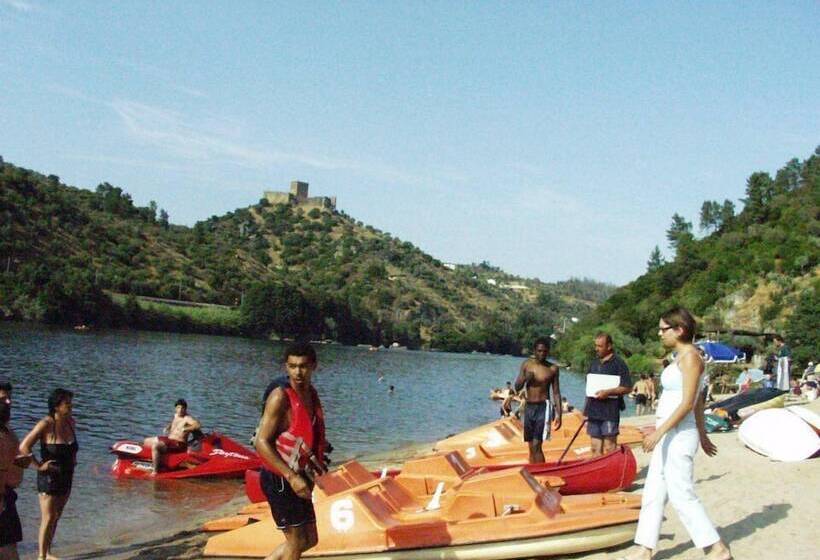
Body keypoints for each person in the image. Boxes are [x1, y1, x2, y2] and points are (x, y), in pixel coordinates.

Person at [620, 307, 732, 560]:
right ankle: (645, 548)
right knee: (654, 490)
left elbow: (689, 403)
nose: (660, 333)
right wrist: (704, 436)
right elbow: (699, 403)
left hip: (679, 433)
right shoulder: (679, 357)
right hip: (670, 431)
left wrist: (659, 433)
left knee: (681, 492)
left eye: (664, 329)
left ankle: (716, 547)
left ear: (679, 330)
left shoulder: (691, 357)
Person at [255, 342, 329, 560]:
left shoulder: (311, 395)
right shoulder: (280, 398)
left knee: (309, 539)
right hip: (279, 477)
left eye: (304, 366)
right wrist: (291, 476)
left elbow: (307, 436)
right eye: (292, 366)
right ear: (286, 367)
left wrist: (313, 468)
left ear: (314, 366)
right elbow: (261, 442)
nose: (298, 372)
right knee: (295, 541)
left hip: (298, 475)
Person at [19, 388, 79, 560]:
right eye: (67, 403)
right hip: (49, 477)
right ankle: (41, 556)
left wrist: (73, 459)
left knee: (57, 515)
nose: (71, 406)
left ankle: (48, 552)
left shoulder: (71, 422)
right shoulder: (46, 423)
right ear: (56, 406)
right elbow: (24, 447)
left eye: (71, 402)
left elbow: (73, 447)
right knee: (48, 516)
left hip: (67, 475)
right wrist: (38, 466)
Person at [583, 333, 632, 457]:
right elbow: (588, 390)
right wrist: (585, 411)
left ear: (609, 346)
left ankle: (613, 472)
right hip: (593, 411)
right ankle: (598, 474)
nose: (596, 349)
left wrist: (608, 392)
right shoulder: (593, 363)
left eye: (600, 346)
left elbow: (627, 387)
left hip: (610, 412)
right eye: (596, 346)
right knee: (595, 448)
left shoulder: (619, 364)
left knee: (610, 447)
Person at [514, 337, 562, 464]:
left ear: (548, 352)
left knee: (537, 444)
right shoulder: (527, 365)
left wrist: (559, 414)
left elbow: (556, 392)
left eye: (545, 351)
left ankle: (542, 473)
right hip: (529, 407)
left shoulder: (552, 369)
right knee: (530, 446)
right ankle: (533, 473)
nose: (542, 354)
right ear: (534, 351)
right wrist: (525, 378)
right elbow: (517, 387)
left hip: (543, 407)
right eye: (539, 351)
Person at [0, 379, 29, 560]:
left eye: (10, 398)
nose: (9, 402)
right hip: (2, 496)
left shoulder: (6, 429)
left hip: (7, 494)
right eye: (3, 399)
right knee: (8, 550)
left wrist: (22, 464)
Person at [143, 399, 201, 474]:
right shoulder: (176, 415)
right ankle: (152, 460)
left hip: (178, 444)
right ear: (175, 408)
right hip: (169, 440)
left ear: (185, 409)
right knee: (146, 441)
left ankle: (155, 471)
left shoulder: (187, 418)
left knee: (156, 446)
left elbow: (197, 425)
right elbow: (174, 423)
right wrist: (168, 427)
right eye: (178, 408)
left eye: (182, 408)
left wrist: (186, 428)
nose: (180, 410)